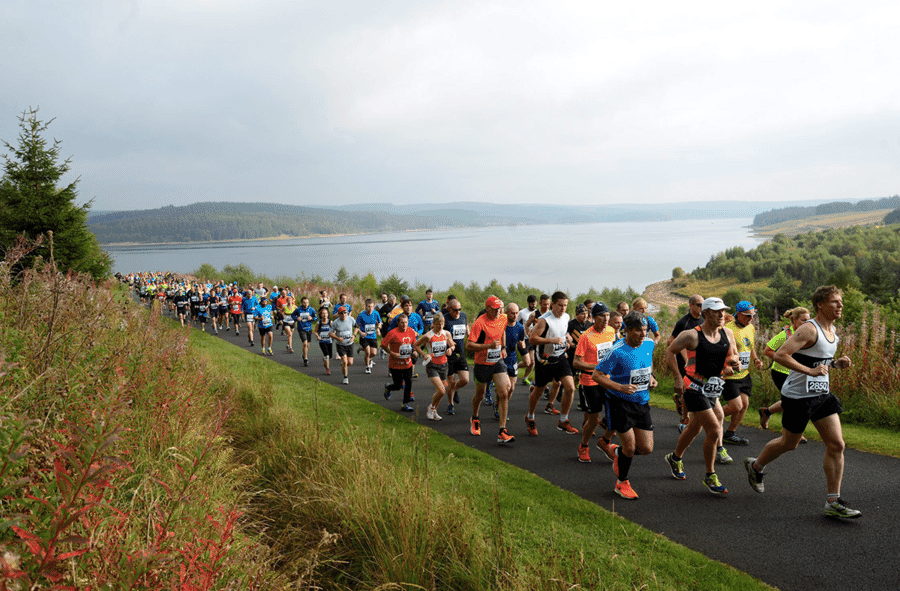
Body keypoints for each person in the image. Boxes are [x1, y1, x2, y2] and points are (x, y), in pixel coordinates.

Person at [745, 285, 860, 518]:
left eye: (841, 302)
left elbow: (821, 362)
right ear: (820, 304)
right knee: (789, 443)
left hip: (822, 395)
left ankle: (833, 501)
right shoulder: (809, 329)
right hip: (798, 397)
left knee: (837, 444)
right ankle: (756, 466)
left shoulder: (833, 331)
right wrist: (809, 371)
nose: (841, 305)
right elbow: (780, 355)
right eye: (835, 302)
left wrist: (837, 364)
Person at [664, 297, 740, 495]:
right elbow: (670, 351)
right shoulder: (692, 335)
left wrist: (733, 364)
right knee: (715, 429)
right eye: (717, 311)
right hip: (693, 387)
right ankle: (710, 474)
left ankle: (675, 457)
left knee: (694, 428)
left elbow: (732, 356)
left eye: (723, 311)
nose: (722, 315)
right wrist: (678, 378)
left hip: (713, 388)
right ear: (706, 313)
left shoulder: (728, 333)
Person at [591, 311, 658, 499]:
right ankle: (622, 482)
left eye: (645, 331)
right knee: (630, 446)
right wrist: (620, 387)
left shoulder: (649, 345)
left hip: (642, 401)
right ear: (627, 330)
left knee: (646, 449)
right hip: (619, 401)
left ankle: (617, 453)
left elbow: (646, 367)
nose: (643, 335)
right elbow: (597, 375)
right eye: (638, 331)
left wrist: (652, 378)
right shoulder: (616, 351)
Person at [526, 291, 579, 435]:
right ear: (553, 305)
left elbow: (562, 332)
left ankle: (563, 420)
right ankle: (530, 417)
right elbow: (532, 339)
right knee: (539, 390)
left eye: (565, 306)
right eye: (560, 305)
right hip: (544, 360)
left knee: (570, 388)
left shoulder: (566, 316)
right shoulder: (544, 320)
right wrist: (552, 341)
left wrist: (567, 339)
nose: (563, 309)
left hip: (560, 357)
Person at [571, 302, 617, 461]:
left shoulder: (611, 331)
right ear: (593, 318)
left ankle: (605, 442)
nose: (605, 319)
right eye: (601, 316)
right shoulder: (586, 337)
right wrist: (596, 366)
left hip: (608, 379)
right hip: (589, 381)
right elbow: (576, 362)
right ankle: (583, 446)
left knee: (617, 412)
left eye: (607, 315)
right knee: (593, 419)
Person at [467, 296, 515, 443]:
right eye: (494, 309)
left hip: (497, 360)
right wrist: (488, 346)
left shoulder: (503, 318)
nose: (497, 312)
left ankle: (502, 430)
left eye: (499, 309)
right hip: (482, 362)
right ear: (487, 308)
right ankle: (475, 417)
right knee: (480, 395)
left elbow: (503, 332)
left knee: (504, 391)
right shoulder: (479, 323)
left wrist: (504, 347)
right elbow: (469, 345)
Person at [759, 307, 811, 441]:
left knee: (792, 401)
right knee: (793, 401)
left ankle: (766, 412)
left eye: (809, 320)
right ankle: (792, 434)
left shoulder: (809, 333)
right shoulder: (786, 335)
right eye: (803, 320)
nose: (807, 323)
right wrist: (784, 358)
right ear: (794, 320)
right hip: (781, 372)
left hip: (798, 373)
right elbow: (767, 351)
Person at [720, 301, 764, 447]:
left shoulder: (750, 328)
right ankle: (706, 418)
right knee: (735, 406)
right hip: (730, 375)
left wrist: (756, 359)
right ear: (738, 314)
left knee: (744, 405)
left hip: (744, 373)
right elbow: (718, 351)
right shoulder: (727, 329)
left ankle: (730, 434)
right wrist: (724, 366)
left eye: (752, 316)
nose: (751, 319)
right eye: (747, 316)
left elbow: (749, 347)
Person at [669, 295, 704, 426]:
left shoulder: (704, 319)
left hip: (699, 361)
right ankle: (685, 417)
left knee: (694, 388)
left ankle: (680, 400)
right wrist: (687, 359)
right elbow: (671, 341)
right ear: (691, 305)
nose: (701, 308)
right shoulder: (684, 323)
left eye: (703, 305)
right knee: (688, 389)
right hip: (684, 361)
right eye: (698, 305)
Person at [415, 313, 455, 420]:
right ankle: (431, 407)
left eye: (442, 324)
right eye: (438, 325)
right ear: (433, 324)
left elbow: (452, 345)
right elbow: (416, 345)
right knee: (441, 390)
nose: (440, 327)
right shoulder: (428, 335)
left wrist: (450, 349)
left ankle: (434, 410)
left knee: (441, 391)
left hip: (444, 365)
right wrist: (423, 354)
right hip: (432, 365)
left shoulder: (446, 334)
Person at [381, 313, 417, 412]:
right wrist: (392, 353)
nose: (404, 325)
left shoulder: (411, 332)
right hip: (395, 364)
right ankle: (388, 387)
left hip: (407, 363)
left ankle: (405, 404)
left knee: (408, 383)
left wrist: (414, 351)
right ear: (398, 323)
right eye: (402, 323)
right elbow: (383, 345)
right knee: (398, 386)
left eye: (406, 322)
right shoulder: (392, 333)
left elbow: (414, 344)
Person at [443, 298, 470, 415]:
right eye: (455, 310)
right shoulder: (445, 319)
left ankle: (454, 390)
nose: (458, 312)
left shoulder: (463, 316)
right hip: (449, 354)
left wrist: (470, 335)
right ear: (449, 309)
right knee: (451, 381)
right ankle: (450, 404)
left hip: (461, 352)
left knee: (465, 380)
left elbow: (466, 326)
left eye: (460, 309)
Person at [504, 303, 527, 395]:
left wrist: (523, 345)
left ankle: (501, 405)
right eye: (513, 313)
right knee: (505, 387)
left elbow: (522, 341)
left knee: (511, 388)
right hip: (501, 359)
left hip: (512, 359)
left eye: (517, 313)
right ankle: (499, 407)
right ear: (507, 313)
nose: (515, 316)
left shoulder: (520, 327)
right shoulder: (502, 326)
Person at [330, 305, 356, 384]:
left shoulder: (351, 319)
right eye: (342, 313)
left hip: (350, 344)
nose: (344, 315)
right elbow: (330, 333)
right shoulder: (336, 322)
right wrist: (338, 338)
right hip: (340, 345)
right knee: (345, 361)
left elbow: (357, 327)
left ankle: (344, 366)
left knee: (350, 363)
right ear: (339, 314)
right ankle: (345, 377)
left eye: (345, 313)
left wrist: (354, 336)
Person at [355, 298, 382, 373]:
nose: (370, 308)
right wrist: (361, 333)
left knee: (373, 353)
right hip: (364, 337)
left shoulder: (376, 313)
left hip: (373, 336)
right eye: (368, 306)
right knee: (367, 351)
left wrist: (378, 329)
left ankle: (361, 348)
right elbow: (356, 326)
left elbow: (380, 322)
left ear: (373, 307)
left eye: (371, 306)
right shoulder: (361, 314)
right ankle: (367, 367)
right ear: (366, 306)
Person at [517, 295, 538, 386]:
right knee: (527, 362)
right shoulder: (522, 313)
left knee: (532, 362)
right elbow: (515, 324)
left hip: (532, 340)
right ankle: (512, 368)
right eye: (532, 304)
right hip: (523, 340)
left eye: (535, 304)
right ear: (528, 303)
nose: (534, 306)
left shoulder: (538, 313)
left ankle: (525, 378)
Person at [293, 296, 317, 366]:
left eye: (307, 302)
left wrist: (312, 318)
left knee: (308, 344)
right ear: (302, 303)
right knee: (305, 343)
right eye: (304, 302)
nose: (306, 304)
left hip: (309, 328)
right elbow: (293, 315)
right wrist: (297, 318)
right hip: (301, 328)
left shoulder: (311, 310)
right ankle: (306, 359)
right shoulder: (298, 309)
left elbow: (316, 317)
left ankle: (304, 354)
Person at [314, 307, 333, 375]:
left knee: (330, 356)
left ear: (328, 314)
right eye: (323, 313)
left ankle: (325, 359)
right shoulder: (319, 323)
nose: (325, 315)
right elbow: (315, 331)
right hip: (322, 341)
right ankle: (328, 370)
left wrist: (333, 334)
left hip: (329, 341)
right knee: (327, 356)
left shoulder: (330, 322)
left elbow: (334, 330)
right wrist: (318, 336)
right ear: (321, 314)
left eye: (326, 313)